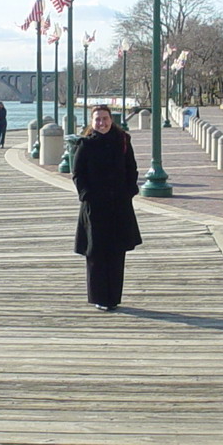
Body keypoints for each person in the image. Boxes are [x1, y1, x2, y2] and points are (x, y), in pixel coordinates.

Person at [72, 104, 142, 311]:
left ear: (111, 120)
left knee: (116, 251)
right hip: (94, 206)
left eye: (105, 118)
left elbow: (132, 168)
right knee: (96, 252)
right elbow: (78, 174)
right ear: (91, 123)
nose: (102, 123)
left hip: (119, 205)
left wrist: (129, 192)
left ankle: (113, 298)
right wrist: (87, 196)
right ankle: (98, 296)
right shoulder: (85, 144)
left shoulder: (122, 141)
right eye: (97, 119)